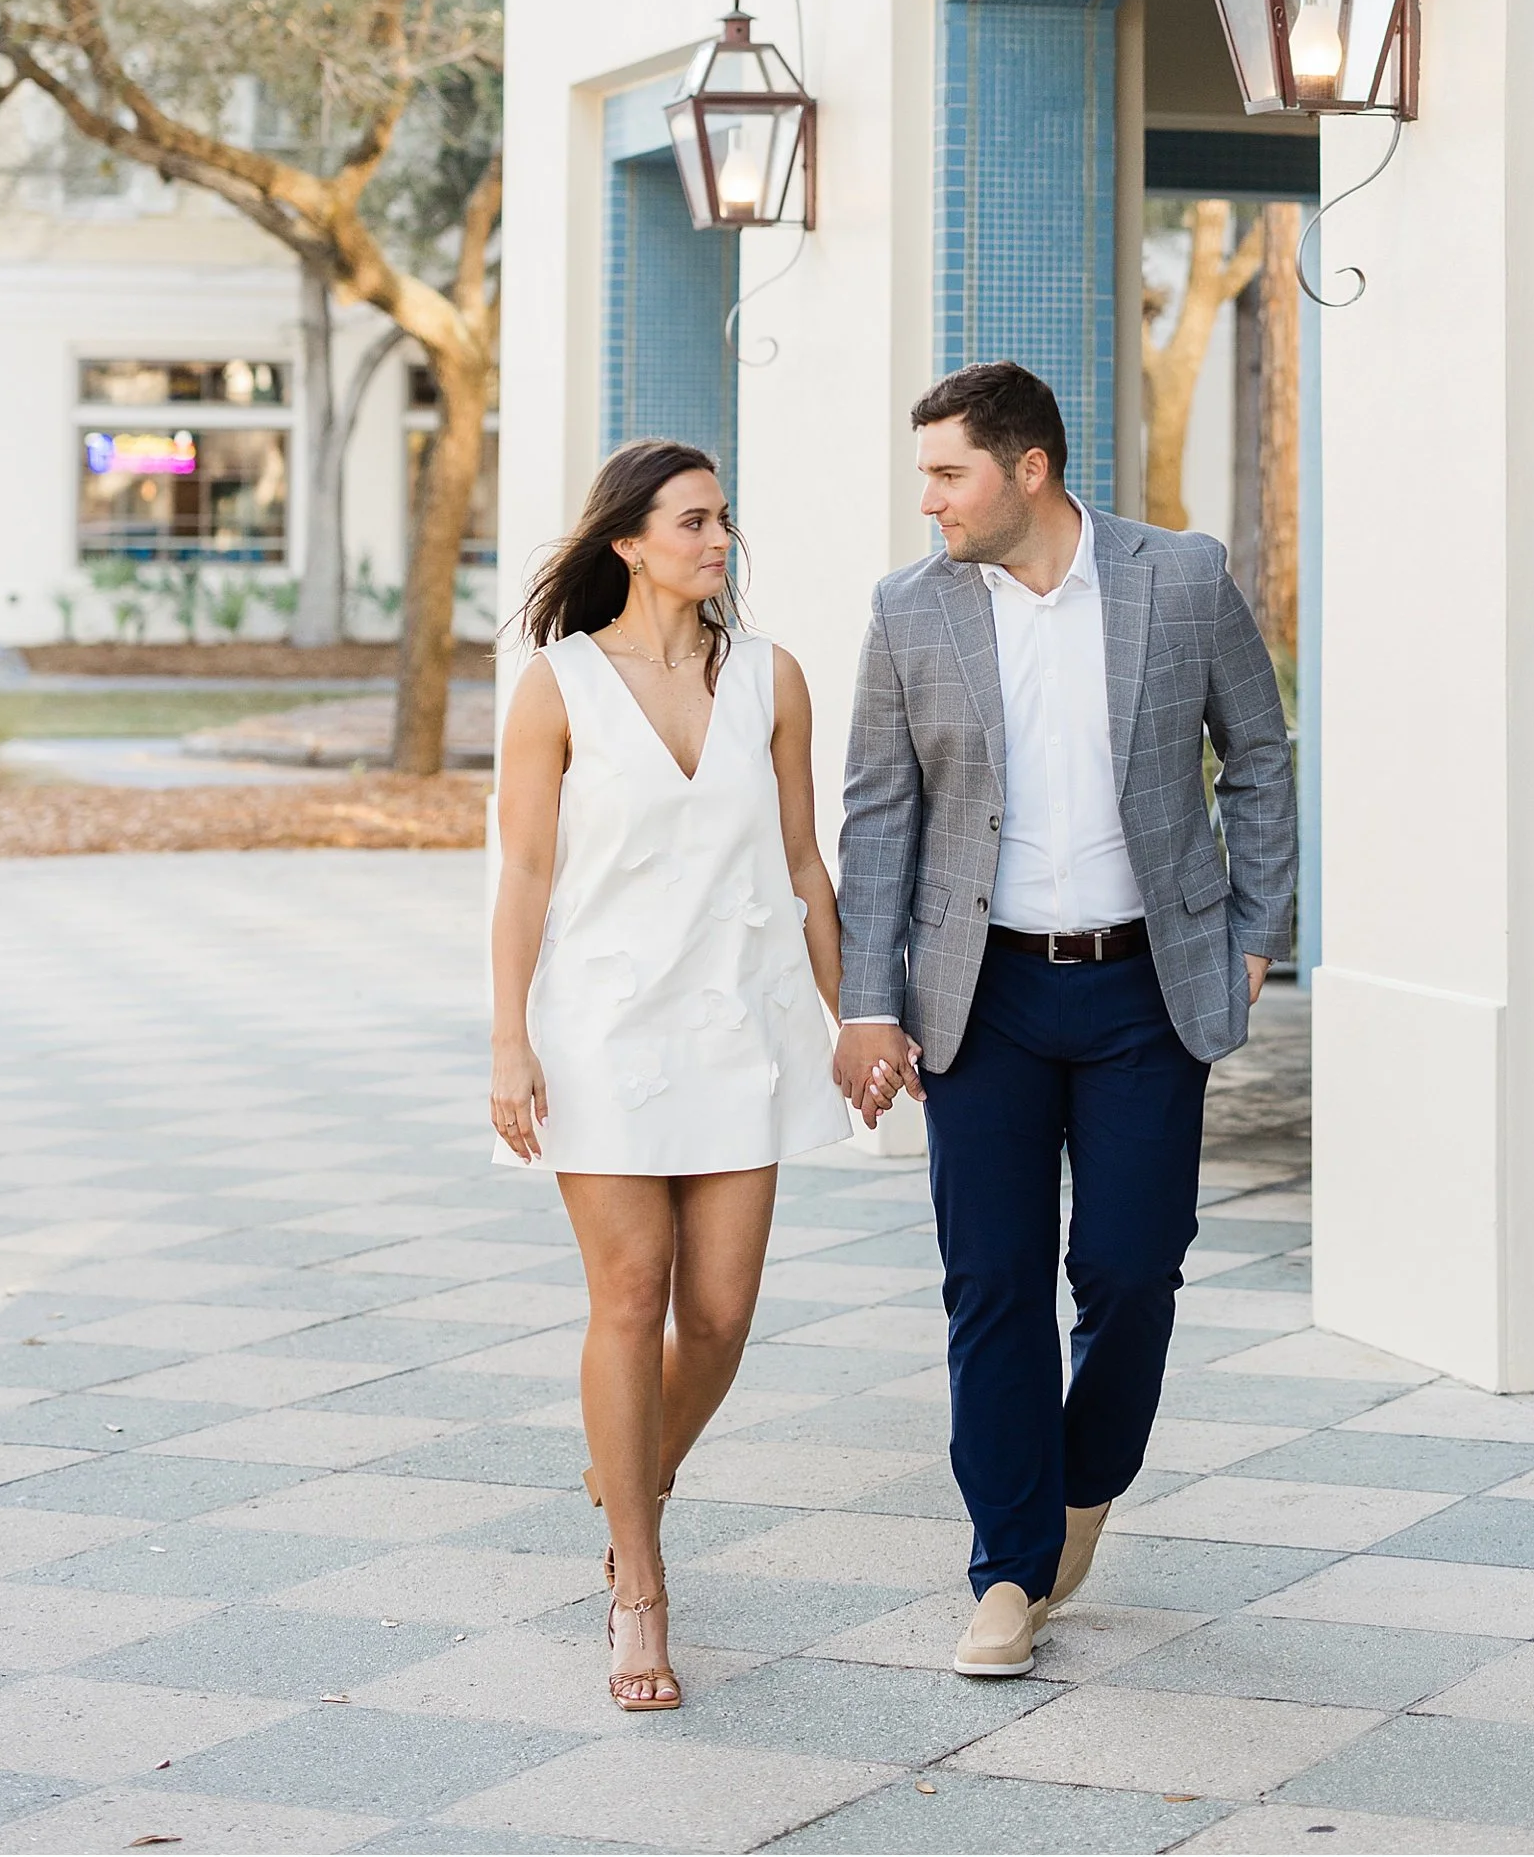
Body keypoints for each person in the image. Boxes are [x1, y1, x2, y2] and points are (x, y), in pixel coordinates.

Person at [834, 358, 1298, 1679]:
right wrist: (871, 999)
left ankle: (1085, 1482)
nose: (927, 498)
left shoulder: (1180, 575)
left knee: (1134, 1268)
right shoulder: (910, 610)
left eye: (947, 472)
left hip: (1149, 983)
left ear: (1027, 468)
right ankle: (1007, 1563)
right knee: (990, 1281)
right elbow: (880, 814)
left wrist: (1258, 931)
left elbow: (1258, 755)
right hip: (981, 994)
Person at [490, 439, 850, 1712]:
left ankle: (629, 1467)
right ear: (628, 543)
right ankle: (638, 1588)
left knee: (724, 1315)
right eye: (694, 521)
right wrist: (506, 1038)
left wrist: (851, 1014)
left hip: (736, 1028)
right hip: (600, 1029)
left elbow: (806, 864)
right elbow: (524, 874)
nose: (719, 540)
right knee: (630, 1296)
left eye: (724, 521)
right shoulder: (558, 687)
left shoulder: (771, 679)